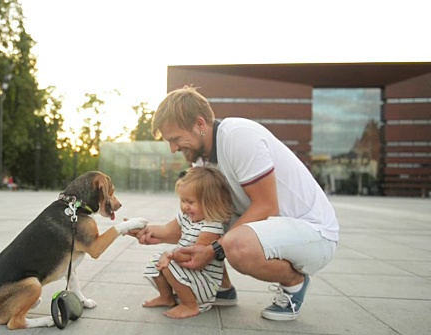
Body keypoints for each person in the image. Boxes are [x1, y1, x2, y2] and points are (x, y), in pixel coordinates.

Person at [135, 86, 339, 321]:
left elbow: (266, 207)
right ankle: (222, 288)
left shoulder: (239, 137)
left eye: (175, 139)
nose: (173, 149)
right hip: (277, 228)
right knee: (205, 218)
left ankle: (294, 284)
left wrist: (214, 250)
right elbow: (195, 221)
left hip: (314, 234)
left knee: (235, 246)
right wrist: (152, 232)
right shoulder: (200, 160)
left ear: (200, 124)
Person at [142, 167, 233, 319]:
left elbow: (193, 258)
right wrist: (141, 229)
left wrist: (170, 255)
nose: (185, 206)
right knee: (156, 260)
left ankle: (190, 305)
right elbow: (165, 230)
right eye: (182, 200)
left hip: (204, 282)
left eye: (190, 201)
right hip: (188, 275)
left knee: (168, 263)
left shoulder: (212, 226)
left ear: (210, 203)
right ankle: (167, 297)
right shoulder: (187, 217)